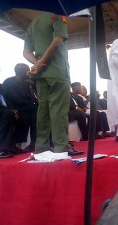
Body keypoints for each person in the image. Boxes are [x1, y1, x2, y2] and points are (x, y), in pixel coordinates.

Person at [23, 11, 83, 156]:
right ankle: (61, 147)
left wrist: (37, 64)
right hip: (57, 71)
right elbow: (57, 41)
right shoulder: (57, 15)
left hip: (41, 74)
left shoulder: (33, 23)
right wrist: (42, 63)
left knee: (43, 110)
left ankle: (41, 147)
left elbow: (26, 52)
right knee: (58, 110)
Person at [2, 63, 38, 151]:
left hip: (25, 107)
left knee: (34, 113)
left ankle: (34, 143)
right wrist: (33, 104)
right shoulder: (9, 82)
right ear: (20, 72)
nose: (29, 73)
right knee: (35, 109)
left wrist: (33, 85)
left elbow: (33, 97)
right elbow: (14, 99)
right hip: (13, 107)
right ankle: (32, 143)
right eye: (27, 71)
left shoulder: (26, 83)